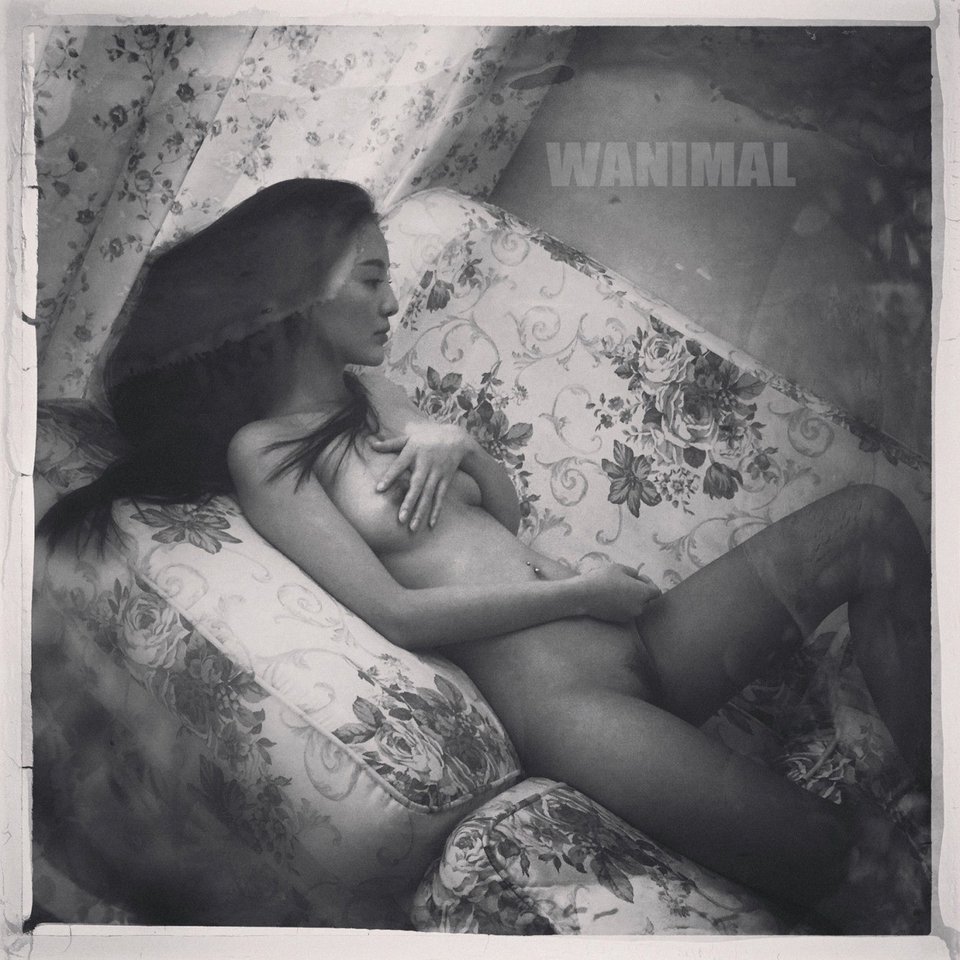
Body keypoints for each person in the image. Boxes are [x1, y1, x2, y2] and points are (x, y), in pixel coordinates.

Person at [40, 178, 931, 934]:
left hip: (644, 641)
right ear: (295, 300)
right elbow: (395, 613)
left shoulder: (373, 392)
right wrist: (581, 593)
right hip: (574, 709)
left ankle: (938, 776)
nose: (394, 302)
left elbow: (499, 518)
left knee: (867, 520)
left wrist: (455, 442)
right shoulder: (264, 453)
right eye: (371, 278)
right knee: (843, 860)